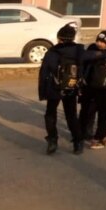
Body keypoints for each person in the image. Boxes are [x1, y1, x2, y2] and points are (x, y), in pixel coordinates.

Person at [38, 22, 88, 155]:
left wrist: (43, 92)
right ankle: (78, 142)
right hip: (71, 86)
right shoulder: (79, 51)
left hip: (54, 87)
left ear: (59, 37)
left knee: (50, 113)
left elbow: (44, 72)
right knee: (71, 115)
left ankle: (53, 140)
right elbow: (83, 68)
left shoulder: (52, 52)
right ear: (73, 38)